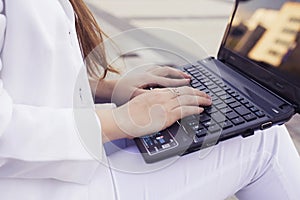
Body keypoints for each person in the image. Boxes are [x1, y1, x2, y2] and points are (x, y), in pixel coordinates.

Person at [0, 0, 299, 199]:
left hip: (54, 164)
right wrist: (119, 122)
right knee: (263, 143)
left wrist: (106, 88)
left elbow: (22, 71)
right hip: (38, 187)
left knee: (202, 122)